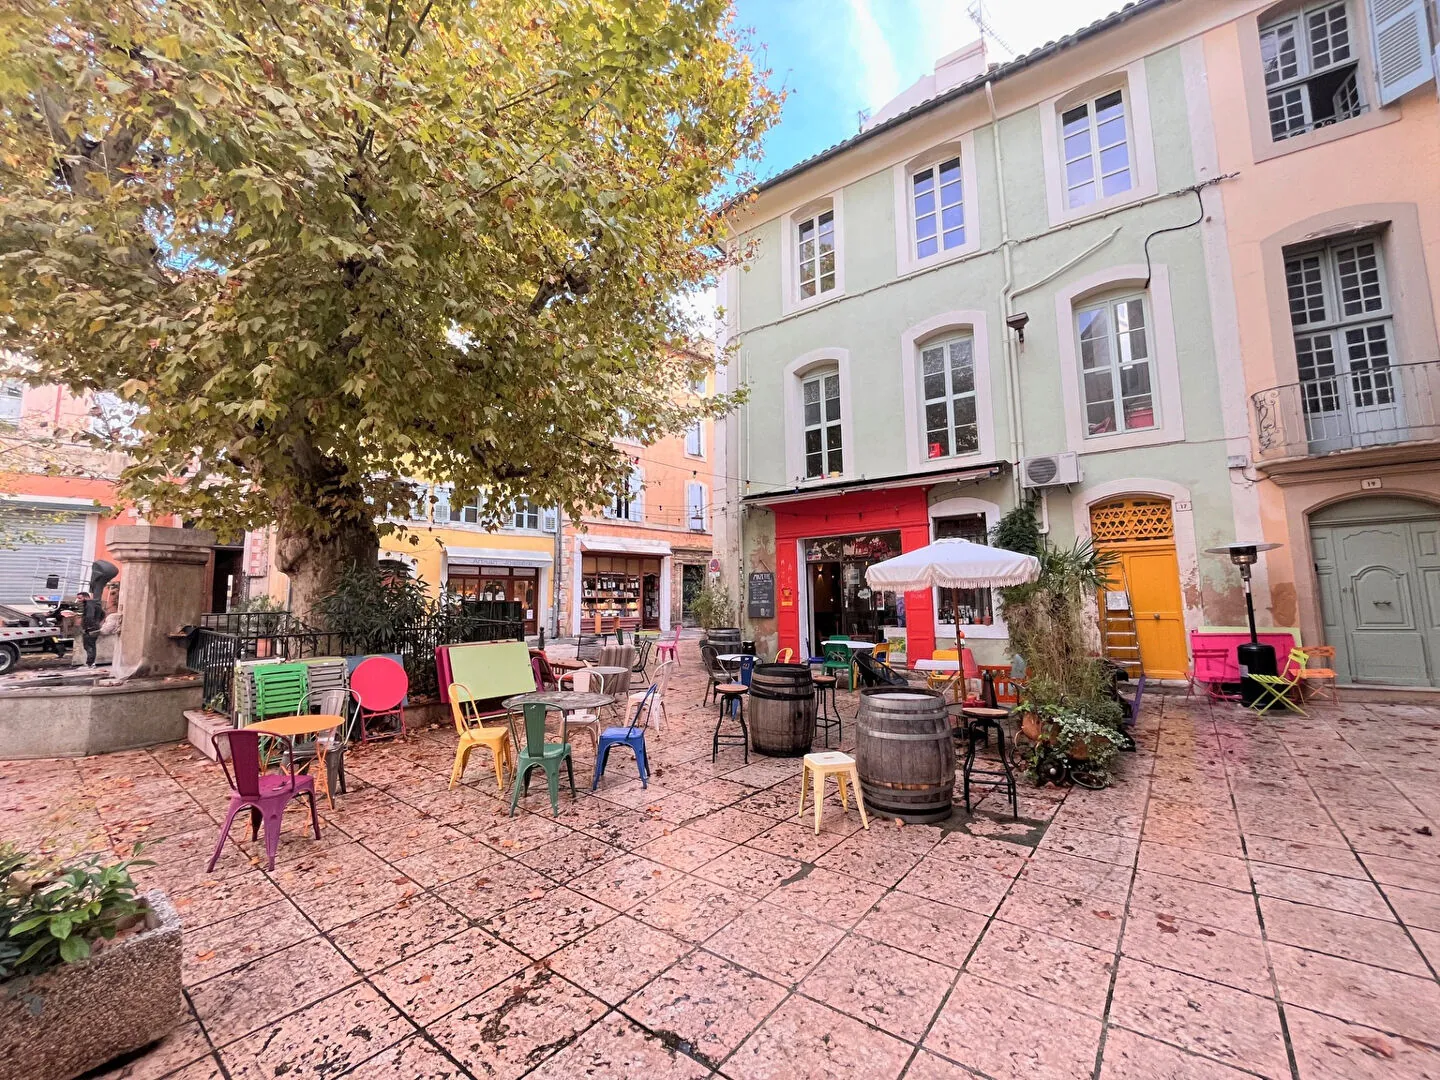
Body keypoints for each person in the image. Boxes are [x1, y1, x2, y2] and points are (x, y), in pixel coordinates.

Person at [76, 589, 105, 666]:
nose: (78, 600)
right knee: (91, 645)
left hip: (90, 628)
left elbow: (89, 616)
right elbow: (103, 614)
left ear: (85, 597)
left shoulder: (89, 605)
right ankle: (91, 663)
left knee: (88, 646)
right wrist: (97, 622)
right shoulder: (96, 604)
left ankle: (90, 663)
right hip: (94, 627)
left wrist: (88, 626)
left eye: (80, 598)